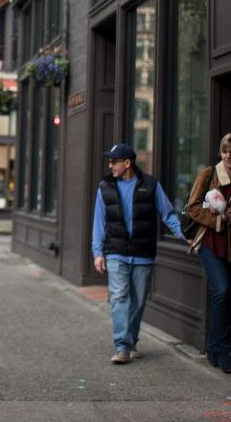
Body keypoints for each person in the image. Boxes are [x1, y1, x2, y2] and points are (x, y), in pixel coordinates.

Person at [92, 143, 184, 364]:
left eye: (114, 161)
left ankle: (130, 340)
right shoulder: (105, 187)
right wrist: (97, 252)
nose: (110, 165)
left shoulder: (151, 185)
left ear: (127, 163)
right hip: (116, 252)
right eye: (110, 161)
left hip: (143, 253)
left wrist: (185, 235)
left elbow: (168, 214)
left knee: (138, 301)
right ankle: (121, 346)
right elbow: (99, 222)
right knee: (119, 297)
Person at [185, 132, 231, 373]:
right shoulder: (209, 174)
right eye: (225, 151)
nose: (228, 156)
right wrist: (220, 218)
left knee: (225, 295)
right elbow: (192, 208)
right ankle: (220, 350)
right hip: (210, 241)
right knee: (222, 291)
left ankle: (216, 348)